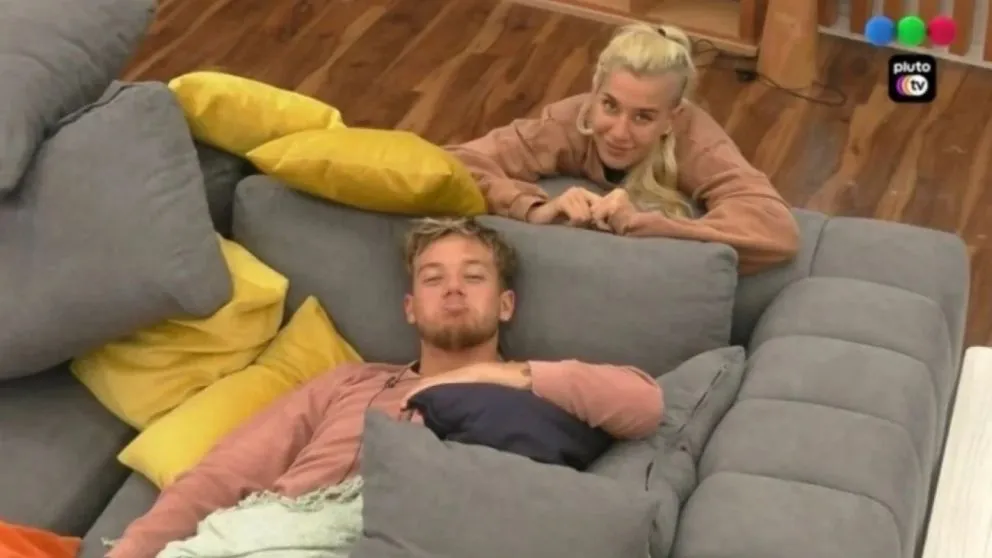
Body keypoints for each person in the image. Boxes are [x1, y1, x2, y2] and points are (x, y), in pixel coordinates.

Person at [107, 217, 664, 558]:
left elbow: (643, 403)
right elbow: (225, 474)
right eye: (433, 278)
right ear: (410, 308)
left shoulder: (530, 392)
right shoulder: (351, 381)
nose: (453, 290)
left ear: (505, 304)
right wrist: (132, 551)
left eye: (473, 277)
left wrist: (504, 375)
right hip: (279, 530)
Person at [445, 23, 800, 275]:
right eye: (610, 105)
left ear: (672, 119)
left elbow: (776, 229)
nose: (618, 132)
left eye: (643, 117)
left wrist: (643, 223)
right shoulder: (568, 120)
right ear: (594, 93)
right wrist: (535, 208)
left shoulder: (699, 143)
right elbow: (453, 163)